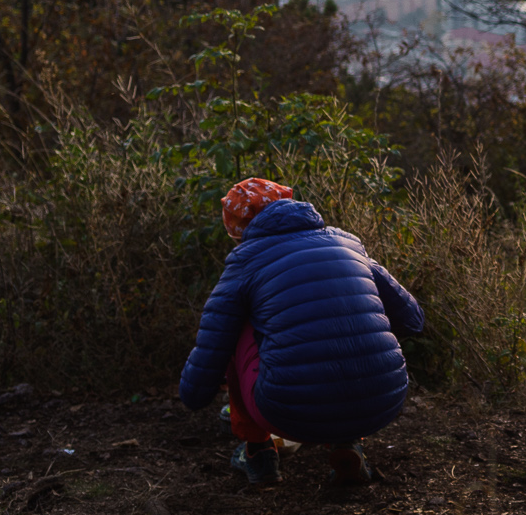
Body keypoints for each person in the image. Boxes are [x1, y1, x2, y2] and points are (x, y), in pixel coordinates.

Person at [179, 178, 425, 487]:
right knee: (340, 321)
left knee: (237, 325)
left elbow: (210, 352)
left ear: (237, 228)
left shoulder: (244, 262)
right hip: (383, 402)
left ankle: (259, 452)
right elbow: (414, 319)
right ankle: (347, 444)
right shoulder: (347, 242)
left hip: (286, 412)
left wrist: (192, 395)